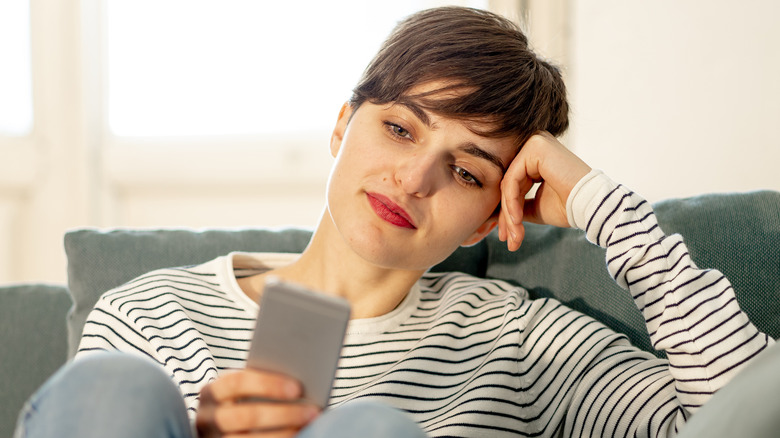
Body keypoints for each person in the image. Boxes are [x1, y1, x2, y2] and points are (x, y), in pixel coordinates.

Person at [15, 6, 776, 438]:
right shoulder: (151, 315)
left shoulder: (523, 342)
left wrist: (606, 208)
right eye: (402, 129)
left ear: (488, 217)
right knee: (113, 387)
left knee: (368, 432)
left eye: (468, 171)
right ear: (344, 126)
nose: (414, 180)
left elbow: (746, 412)